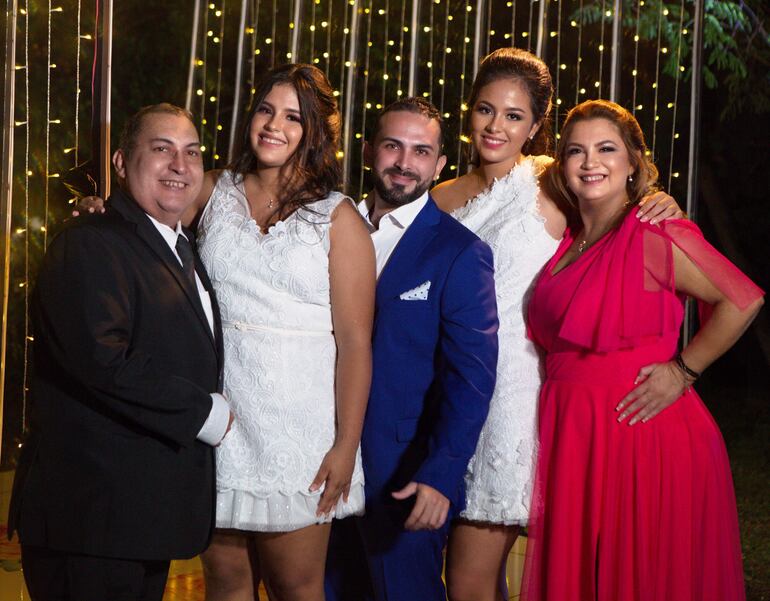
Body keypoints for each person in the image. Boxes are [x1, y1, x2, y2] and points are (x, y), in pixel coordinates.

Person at [74, 64, 376, 601]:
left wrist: (346, 444)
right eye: (265, 109)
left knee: (296, 586)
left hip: (298, 437)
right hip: (220, 425)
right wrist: (102, 211)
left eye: (292, 117)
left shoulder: (340, 219)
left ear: (315, 132)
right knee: (226, 583)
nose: (273, 125)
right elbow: (144, 222)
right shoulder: (211, 190)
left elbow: (354, 343)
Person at [431, 47, 683, 601]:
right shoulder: (440, 197)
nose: (496, 126)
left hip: (513, 397)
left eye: (514, 115)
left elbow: (615, 189)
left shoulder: (549, 181)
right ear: (468, 111)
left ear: (537, 125)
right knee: (466, 573)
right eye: (485, 110)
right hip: (447, 388)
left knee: (469, 577)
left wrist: (657, 199)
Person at [522, 99, 763, 601]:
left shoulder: (653, 230)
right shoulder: (569, 239)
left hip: (641, 434)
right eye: (576, 151)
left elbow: (742, 299)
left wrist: (684, 370)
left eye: (606, 149)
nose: (591, 162)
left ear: (633, 161)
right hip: (575, 436)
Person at [8, 103, 231, 601]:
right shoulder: (90, 242)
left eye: (191, 152)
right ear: (119, 162)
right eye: (161, 149)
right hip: (89, 522)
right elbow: (102, 360)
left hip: (132, 521)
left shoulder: (178, 244)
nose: (180, 164)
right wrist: (204, 413)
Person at [325, 97, 499, 601]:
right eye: (393, 146)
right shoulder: (325, 229)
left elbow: (471, 380)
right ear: (368, 151)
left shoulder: (459, 252)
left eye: (421, 151)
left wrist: (441, 475)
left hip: (399, 473)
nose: (405, 162)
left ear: (440, 165)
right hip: (316, 461)